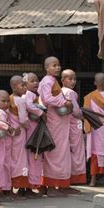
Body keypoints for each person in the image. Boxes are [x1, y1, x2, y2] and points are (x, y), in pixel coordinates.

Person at [38, 57, 74, 196]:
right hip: (54, 121)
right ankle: (52, 187)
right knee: (55, 152)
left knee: (58, 152)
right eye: (54, 65)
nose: (58, 67)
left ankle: (49, 186)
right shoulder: (47, 81)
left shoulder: (52, 80)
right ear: (47, 68)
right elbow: (47, 99)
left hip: (58, 121)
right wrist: (64, 103)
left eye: (58, 65)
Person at [61, 69, 86, 190]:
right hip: (74, 126)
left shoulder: (60, 92)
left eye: (74, 79)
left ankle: (66, 180)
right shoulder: (70, 92)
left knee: (67, 152)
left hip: (65, 125)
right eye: (70, 79)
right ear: (62, 80)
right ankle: (72, 179)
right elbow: (76, 112)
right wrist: (83, 114)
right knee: (76, 152)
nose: (73, 81)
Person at [23, 72, 46, 196]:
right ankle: (30, 186)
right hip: (32, 130)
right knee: (33, 157)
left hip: (34, 127)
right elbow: (29, 106)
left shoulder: (33, 94)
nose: (35, 83)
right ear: (25, 84)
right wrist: (41, 113)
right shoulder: (29, 94)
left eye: (37, 80)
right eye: (32, 81)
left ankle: (31, 186)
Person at [8, 75, 30, 199]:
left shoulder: (9, 99)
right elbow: (23, 120)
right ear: (14, 87)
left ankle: (8, 188)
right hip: (20, 133)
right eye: (22, 85)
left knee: (12, 159)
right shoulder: (21, 101)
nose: (25, 87)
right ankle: (17, 188)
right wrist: (28, 125)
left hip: (11, 134)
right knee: (21, 161)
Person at [0, 90, 15, 201]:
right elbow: (3, 127)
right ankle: (3, 191)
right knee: (5, 166)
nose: (6, 103)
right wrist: (13, 131)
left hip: (5, 143)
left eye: (8, 101)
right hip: (3, 143)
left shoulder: (4, 111)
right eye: (3, 101)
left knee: (5, 166)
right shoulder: (1, 112)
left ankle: (3, 190)